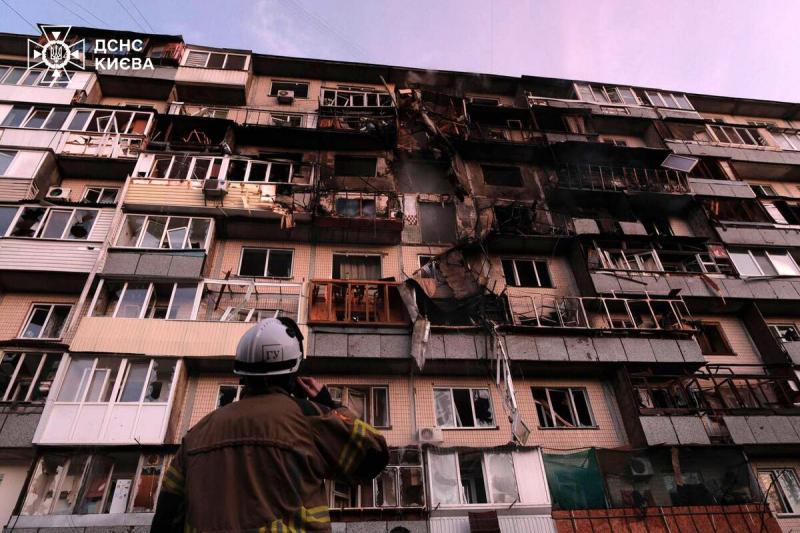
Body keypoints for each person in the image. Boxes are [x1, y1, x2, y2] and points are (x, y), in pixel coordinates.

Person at [151, 317, 389, 532]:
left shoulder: (197, 434)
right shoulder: (308, 419)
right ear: (293, 374)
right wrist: (328, 404)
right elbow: (374, 455)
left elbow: (166, 519)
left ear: (242, 374)